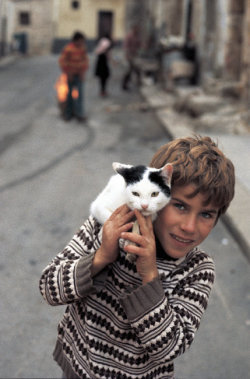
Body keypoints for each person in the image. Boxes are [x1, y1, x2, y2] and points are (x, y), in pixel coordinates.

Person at [39, 135, 235, 378]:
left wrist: (150, 276)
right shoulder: (107, 226)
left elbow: (169, 349)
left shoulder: (197, 269)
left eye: (206, 214)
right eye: (180, 206)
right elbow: (49, 287)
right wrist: (101, 257)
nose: (189, 226)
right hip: (79, 368)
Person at [59, 31, 89, 122]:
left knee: (80, 95)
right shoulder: (68, 49)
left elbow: (85, 61)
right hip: (70, 75)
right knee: (69, 95)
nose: (81, 43)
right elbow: (62, 61)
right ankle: (68, 114)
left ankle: (79, 114)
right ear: (75, 41)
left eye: (82, 41)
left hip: (79, 75)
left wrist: (82, 72)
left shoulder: (83, 49)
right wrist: (68, 73)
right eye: (80, 41)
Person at [121, 25, 142, 91]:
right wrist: (127, 55)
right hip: (130, 55)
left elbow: (139, 44)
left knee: (137, 69)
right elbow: (126, 46)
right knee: (129, 71)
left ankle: (138, 82)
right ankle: (124, 84)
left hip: (135, 55)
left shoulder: (137, 36)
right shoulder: (129, 36)